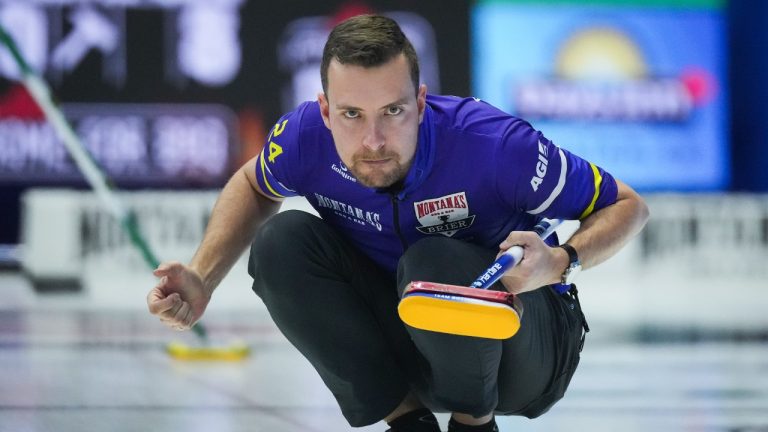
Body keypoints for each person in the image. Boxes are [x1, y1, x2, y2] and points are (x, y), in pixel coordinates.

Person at [146, 14, 649, 432]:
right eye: (351, 114)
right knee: (281, 243)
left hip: (525, 351)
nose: (374, 140)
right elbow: (254, 184)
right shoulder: (302, 138)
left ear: (422, 102)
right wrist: (202, 275)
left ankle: (475, 423)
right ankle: (407, 423)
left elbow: (627, 205)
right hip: (408, 337)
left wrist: (559, 262)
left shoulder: (497, 147)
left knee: (430, 258)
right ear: (323, 110)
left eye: (393, 111)